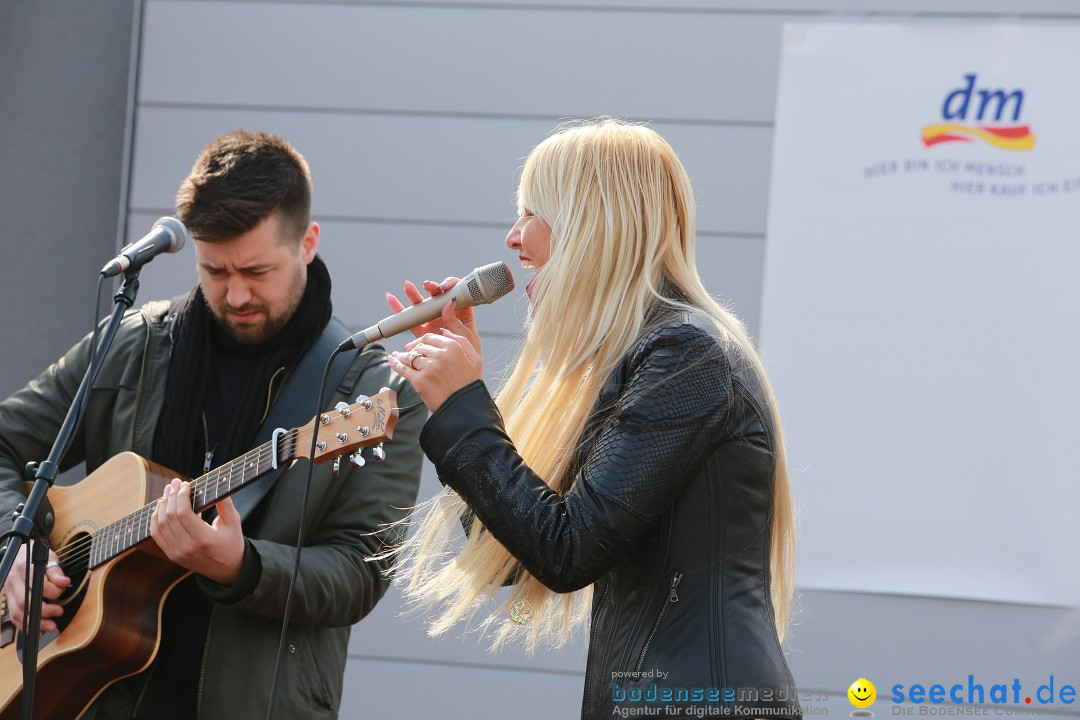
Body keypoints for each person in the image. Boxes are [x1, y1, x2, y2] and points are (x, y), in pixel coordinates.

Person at [0, 130, 425, 719]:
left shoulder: (374, 393)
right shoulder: (134, 344)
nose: (236, 294)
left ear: (308, 242)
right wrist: (16, 548)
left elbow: (359, 572)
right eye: (214, 270)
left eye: (256, 269)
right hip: (94, 696)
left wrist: (242, 566)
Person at [384, 118, 800, 719]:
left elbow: (567, 550)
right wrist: (465, 403)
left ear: (591, 223)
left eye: (532, 212)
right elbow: (513, 551)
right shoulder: (643, 358)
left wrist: (464, 409)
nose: (512, 237)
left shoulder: (686, 355)